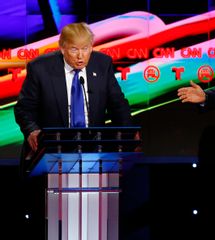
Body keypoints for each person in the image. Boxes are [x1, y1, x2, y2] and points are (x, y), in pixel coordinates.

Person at [14, 22, 132, 239]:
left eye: (86, 48)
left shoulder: (102, 64)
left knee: (91, 225)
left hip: (93, 157)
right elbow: (24, 109)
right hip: (51, 157)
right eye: (74, 49)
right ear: (62, 48)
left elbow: (118, 105)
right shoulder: (40, 68)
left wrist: (125, 140)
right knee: (55, 227)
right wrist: (32, 130)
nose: (81, 56)